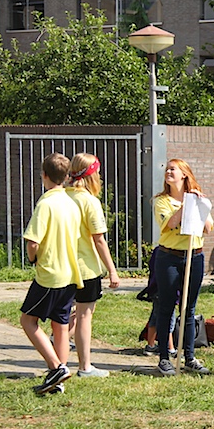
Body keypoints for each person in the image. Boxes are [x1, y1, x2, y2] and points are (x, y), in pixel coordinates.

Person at [19, 153, 83, 395]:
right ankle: (59, 379)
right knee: (61, 325)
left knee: (28, 320)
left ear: (43, 175)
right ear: (66, 177)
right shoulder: (71, 203)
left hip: (50, 274)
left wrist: (33, 259)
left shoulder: (45, 204)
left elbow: (32, 242)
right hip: (70, 273)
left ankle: (56, 367)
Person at [152, 158, 213, 376]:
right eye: (167, 169)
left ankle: (189, 356)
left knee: (189, 308)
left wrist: (199, 205)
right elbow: (170, 223)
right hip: (169, 257)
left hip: (194, 256)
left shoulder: (197, 198)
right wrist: (186, 205)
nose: (168, 172)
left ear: (184, 174)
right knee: (166, 307)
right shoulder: (161, 201)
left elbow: (208, 228)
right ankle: (164, 358)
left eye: (173, 169)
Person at [66, 154, 120, 378]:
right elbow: (99, 240)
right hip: (85, 268)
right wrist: (112, 270)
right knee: (84, 315)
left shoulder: (60, 196)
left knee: (64, 316)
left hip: (62, 266)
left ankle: (57, 363)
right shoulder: (89, 201)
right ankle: (85, 366)